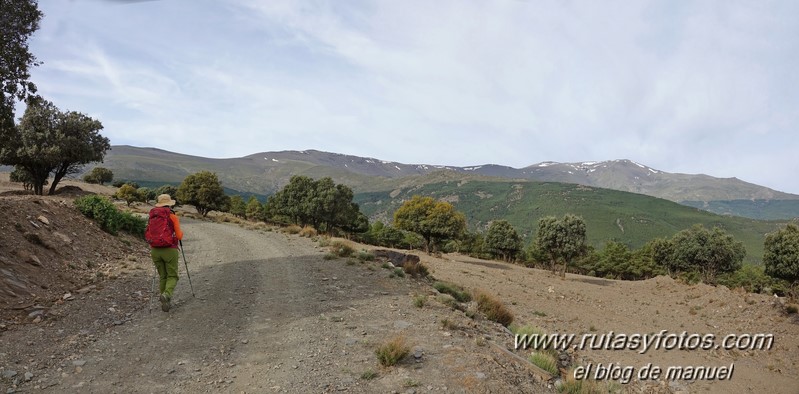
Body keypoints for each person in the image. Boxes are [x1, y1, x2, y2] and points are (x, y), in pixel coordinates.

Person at [147, 194, 184, 312]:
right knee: (172, 276)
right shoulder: (172, 216)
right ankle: (167, 295)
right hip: (170, 250)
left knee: (163, 276)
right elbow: (179, 235)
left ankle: (165, 300)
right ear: (169, 204)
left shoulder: (153, 216)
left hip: (155, 250)